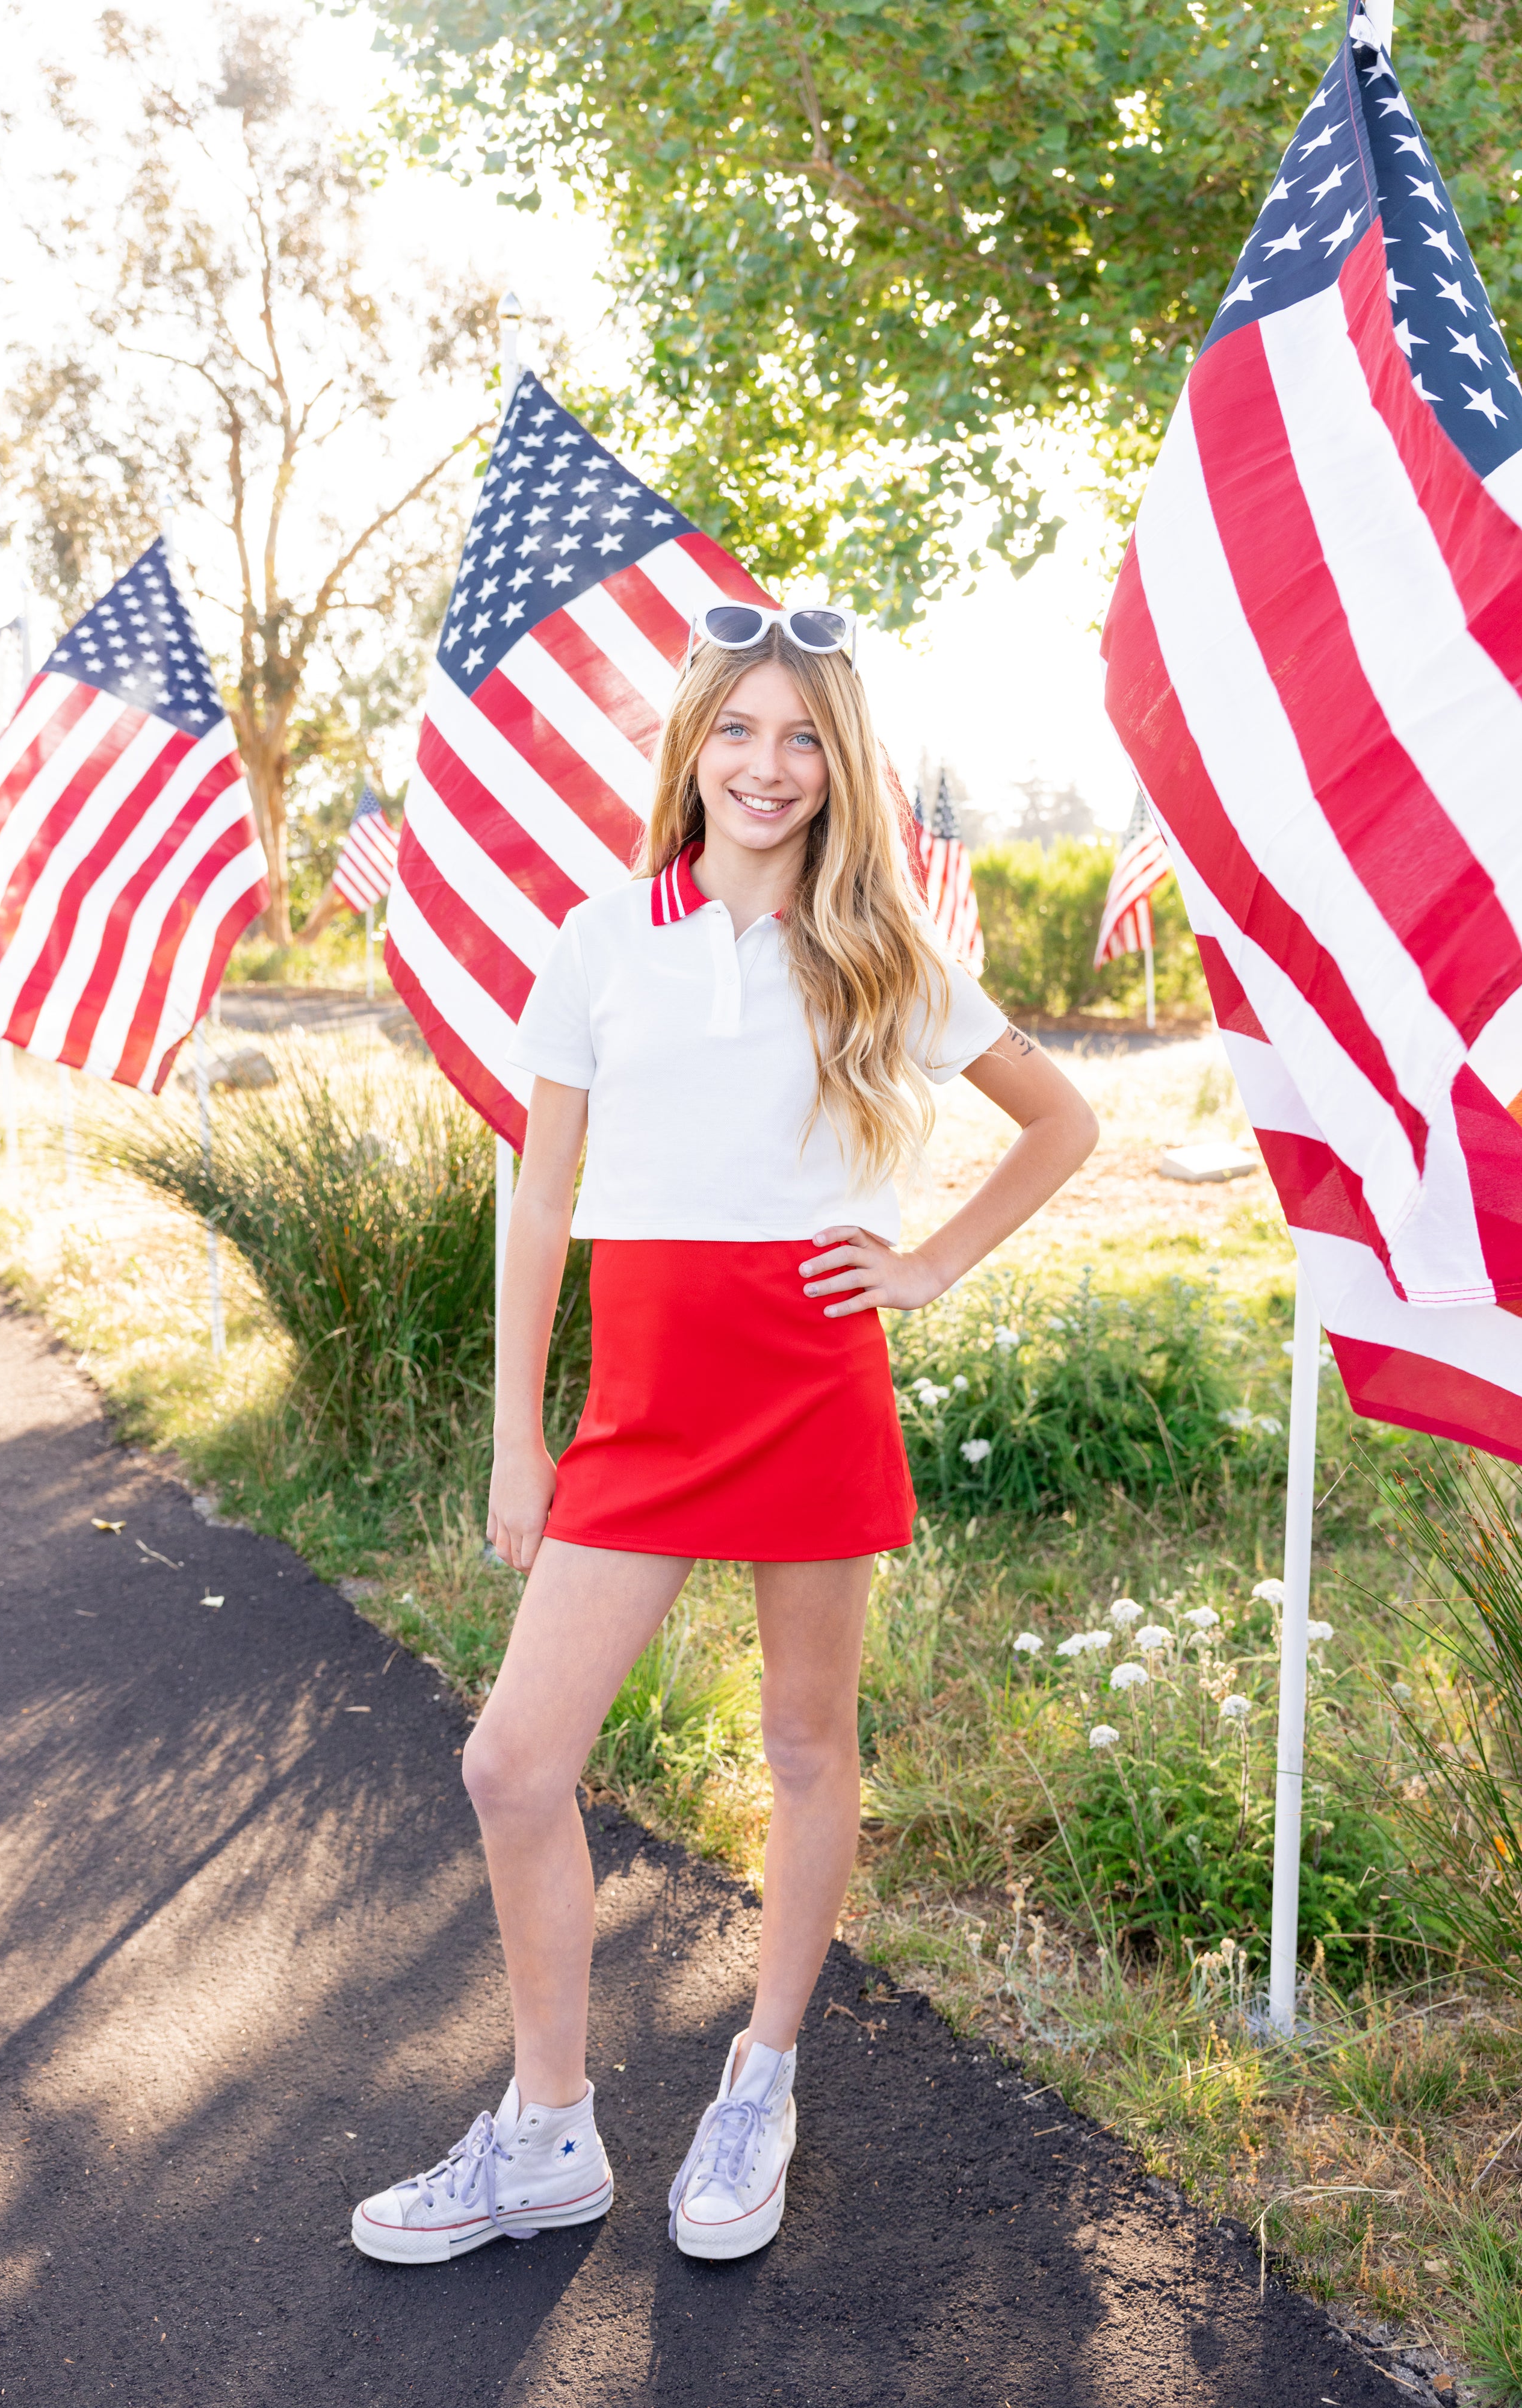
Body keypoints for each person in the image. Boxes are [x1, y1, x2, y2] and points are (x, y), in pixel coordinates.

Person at [351, 604, 1098, 2267]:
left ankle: (759, 2075)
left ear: (843, 768)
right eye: (740, 731)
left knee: (804, 1744)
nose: (769, 767)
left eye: (805, 737)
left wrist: (926, 1263)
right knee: (512, 1763)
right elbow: (541, 1198)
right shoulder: (602, 938)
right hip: (638, 1405)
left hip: (810, 1374)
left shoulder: (881, 954)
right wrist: (515, 1440)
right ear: (692, 745)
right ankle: (547, 2134)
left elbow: (1063, 1119)